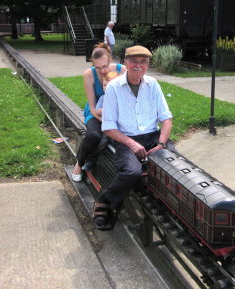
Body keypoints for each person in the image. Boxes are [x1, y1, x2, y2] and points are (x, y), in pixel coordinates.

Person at [93, 45, 173, 229]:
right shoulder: (113, 87)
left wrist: (161, 143)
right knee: (132, 172)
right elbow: (108, 127)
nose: (139, 65)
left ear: (147, 64)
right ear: (125, 63)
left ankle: (168, 202)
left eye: (143, 62)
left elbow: (166, 119)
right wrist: (131, 144)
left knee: (175, 166)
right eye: (134, 61)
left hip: (153, 137)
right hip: (126, 138)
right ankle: (104, 201)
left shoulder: (152, 84)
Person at [72, 43, 126, 182]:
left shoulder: (121, 71)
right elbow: (92, 106)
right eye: (97, 67)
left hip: (118, 114)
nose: (102, 71)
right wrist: (105, 121)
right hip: (97, 112)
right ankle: (79, 164)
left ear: (110, 60)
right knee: (94, 135)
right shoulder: (89, 74)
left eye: (105, 66)